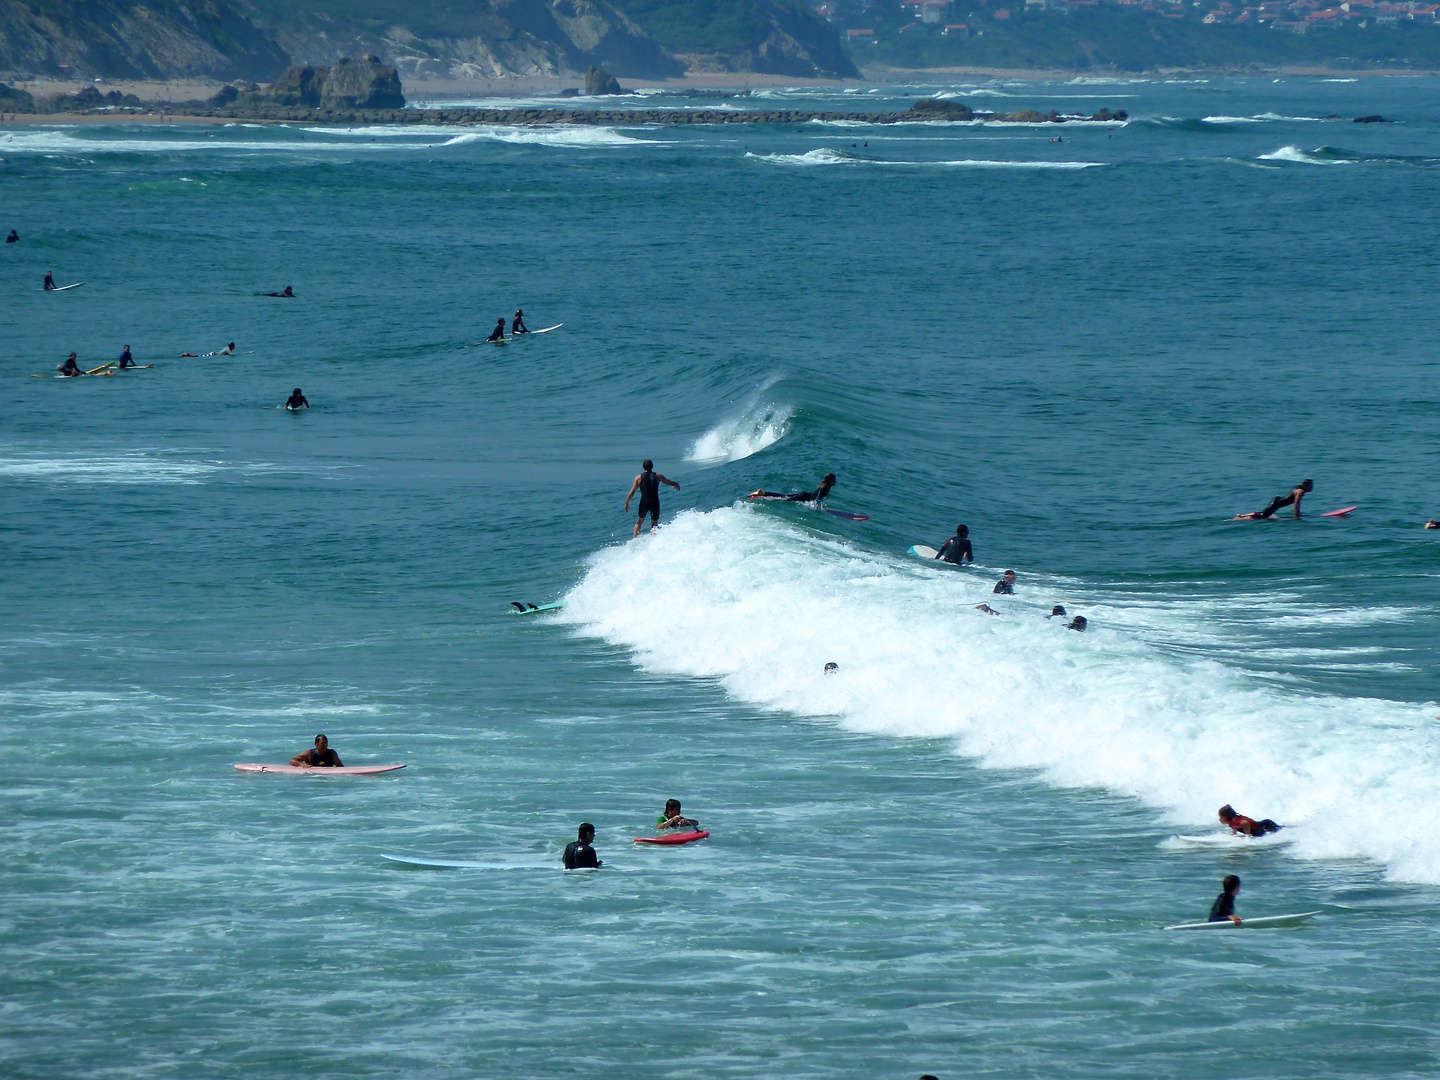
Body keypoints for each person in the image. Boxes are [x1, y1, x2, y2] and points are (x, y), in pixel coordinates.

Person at [625, 459, 681, 537]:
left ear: (643, 467)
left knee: (639, 522)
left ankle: (635, 539)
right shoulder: (658, 476)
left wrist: (627, 502)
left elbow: (632, 492)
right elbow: (667, 482)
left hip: (644, 502)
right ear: (652, 467)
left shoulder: (638, 477)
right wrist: (676, 484)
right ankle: (654, 540)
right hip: (654, 502)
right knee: (654, 523)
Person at [1234, 479, 1313, 520]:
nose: (1312, 487)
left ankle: (1242, 516)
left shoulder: (1300, 490)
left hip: (1277, 501)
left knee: (1264, 515)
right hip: (1276, 503)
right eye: (1311, 486)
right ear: (1307, 486)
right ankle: (1241, 517)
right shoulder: (1300, 492)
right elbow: (1296, 505)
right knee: (1263, 516)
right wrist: (1296, 517)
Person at [749, 473, 836, 504]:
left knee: (784, 497)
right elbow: (816, 498)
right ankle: (763, 495)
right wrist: (815, 506)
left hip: (804, 495)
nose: (835, 482)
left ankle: (763, 493)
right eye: (834, 480)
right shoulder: (825, 488)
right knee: (784, 499)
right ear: (829, 480)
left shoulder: (823, 485)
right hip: (804, 497)